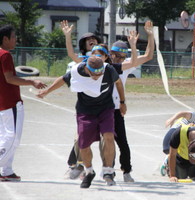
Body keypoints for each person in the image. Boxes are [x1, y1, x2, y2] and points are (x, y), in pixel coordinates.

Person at [65, 21, 154, 183]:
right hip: (95, 107)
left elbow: (147, 56)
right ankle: (77, 165)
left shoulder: (122, 67)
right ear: (109, 54)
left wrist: (150, 36)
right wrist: (68, 36)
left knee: (116, 142)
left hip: (112, 109)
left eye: (122, 56)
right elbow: (72, 58)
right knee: (81, 138)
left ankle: (120, 171)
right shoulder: (97, 64)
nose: (119, 58)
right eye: (116, 55)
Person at [37, 56, 126, 188]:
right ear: (86, 69)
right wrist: (46, 91)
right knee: (83, 144)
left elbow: (118, 83)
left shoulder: (108, 70)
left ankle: (108, 171)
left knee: (109, 136)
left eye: (99, 73)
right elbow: (62, 80)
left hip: (106, 108)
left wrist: (122, 102)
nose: (97, 76)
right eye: (94, 74)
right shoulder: (76, 72)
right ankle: (89, 171)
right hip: (85, 110)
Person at [0, 25, 46, 181]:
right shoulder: (5, 55)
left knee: (5, 136)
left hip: (2, 103)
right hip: (9, 102)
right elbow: (10, 78)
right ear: (5, 39)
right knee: (13, 137)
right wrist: (32, 81)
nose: (15, 40)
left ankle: (6, 170)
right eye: (13, 37)